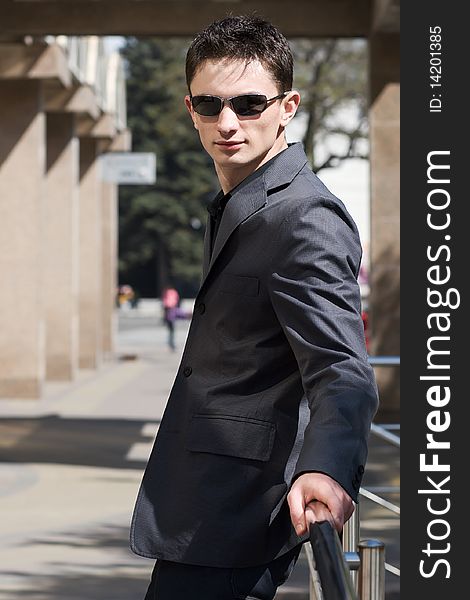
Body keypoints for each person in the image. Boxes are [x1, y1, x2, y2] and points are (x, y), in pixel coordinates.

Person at [130, 15, 378, 599]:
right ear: (189, 107)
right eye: (210, 104)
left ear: (287, 106)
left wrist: (327, 468)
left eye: (248, 103)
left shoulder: (304, 215)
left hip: (241, 510)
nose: (228, 123)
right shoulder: (243, 200)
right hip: (205, 505)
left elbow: (342, 369)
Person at [161, 285, 180, 351]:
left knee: (170, 329)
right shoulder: (174, 292)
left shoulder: (166, 292)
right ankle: (171, 343)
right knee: (172, 329)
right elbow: (177, 301)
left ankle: (171, 343)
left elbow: (164, 302)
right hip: (172, 310)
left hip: (168, 309)